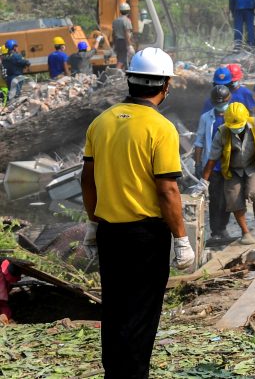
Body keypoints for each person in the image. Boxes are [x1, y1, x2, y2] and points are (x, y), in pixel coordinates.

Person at [80, 47, 195, 378]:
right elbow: (167, 189)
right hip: (145, 237)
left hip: (110, 234)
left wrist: (93, 223)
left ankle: (114, 373)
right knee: (142, 314)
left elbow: (87, 180)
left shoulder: (101, 122)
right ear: (165, 86)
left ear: (130, 81)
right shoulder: (161, 128)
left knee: (114, 309)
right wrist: (182, 239)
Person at [202, 102, 255, 246]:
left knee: (254, 193)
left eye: (239, 127)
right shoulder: (222, 132)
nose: (236, 130)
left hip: (253, 166)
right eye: (233, 128)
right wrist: (204, 181)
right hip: (232, 170)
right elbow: (212, 159)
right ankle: (246, 233)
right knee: (234, 200)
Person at [192, 84, 234, 241]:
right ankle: (217, 231)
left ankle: (223, 226)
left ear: (229, 99)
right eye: (218, 103)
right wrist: (198, 164)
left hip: (231, 164)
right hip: (213, 166)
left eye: (222, 102)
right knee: (216, 199)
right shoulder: (206, 118)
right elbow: (199, 141)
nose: (221, 106)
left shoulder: (235, 114)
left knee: (230, 198)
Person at [112, 2, 135, 69]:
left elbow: (113, 33)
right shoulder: (127, 21)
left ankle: (121, 76)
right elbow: (126, 33)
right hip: (123, 42)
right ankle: (115, 73)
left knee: (122, 59)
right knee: (121, 60)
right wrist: (129, 45)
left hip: (117, 41)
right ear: (128, 11)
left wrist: (114, 43)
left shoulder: (115, 21)